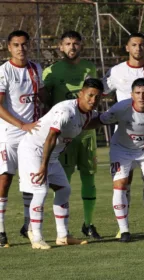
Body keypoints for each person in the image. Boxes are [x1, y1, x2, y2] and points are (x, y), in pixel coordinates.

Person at [17, 78, 103, 249]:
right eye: (90, 95)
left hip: (51, 155)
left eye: (97, 97)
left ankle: (63, 236)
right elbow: (50, 138)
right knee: (40, 191)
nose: (93, 100)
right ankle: (36, 237)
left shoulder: (87, 113)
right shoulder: (65, 111)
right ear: (81, 94)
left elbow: (94, 121)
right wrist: (43, 166)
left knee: (64, 189)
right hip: (34, 150)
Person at [92, 78, 144, 242]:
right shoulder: (121, 108)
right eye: (138, 93)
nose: (142, 97)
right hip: (122, 150)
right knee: (120, 185)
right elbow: (101, 119)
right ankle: (124, 231)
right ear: (132, 94)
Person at [43, 31, 101, 239]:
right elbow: (45, 101)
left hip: (86, 133)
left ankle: (89, 223)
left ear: (81, 46)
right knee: (62, 181)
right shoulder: (51, 71)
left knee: (89, 177)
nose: (72, 47)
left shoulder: (89, 68)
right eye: (67, 43)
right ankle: (62, 229)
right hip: (64, 136)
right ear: (60, 46)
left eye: (75, 43)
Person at [104, 32, 144, 233]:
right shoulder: (116, 71)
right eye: (134, 45)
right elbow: (101, 91)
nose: (138, 48)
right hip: (125, 131)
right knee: (124, 181)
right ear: (127, 48)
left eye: (141, 45)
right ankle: (124, 228)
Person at [0, 30, 46, 247]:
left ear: (30, 45)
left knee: (32, 179)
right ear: (9, 47)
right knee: (5, 179)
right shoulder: (4, 71)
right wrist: (21, 124)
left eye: (24, 44)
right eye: (16, 45)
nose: (21, 48)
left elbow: (41, 98)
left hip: (32, 133)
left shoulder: (36, 69)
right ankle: (0, 229)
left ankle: (27, 225)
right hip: (10, 132)